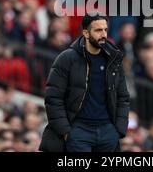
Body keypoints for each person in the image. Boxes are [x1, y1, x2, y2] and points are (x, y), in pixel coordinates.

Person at [39, 12, 130, 152]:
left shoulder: (113, 59)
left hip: (108, 132)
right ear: (86, 33)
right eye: (98, 30)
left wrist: (118, 130)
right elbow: (53, 97)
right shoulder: (67, 58)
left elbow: (123, 97)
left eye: (105, 30)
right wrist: (66, 131)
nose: (104, 35)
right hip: (78, 130)